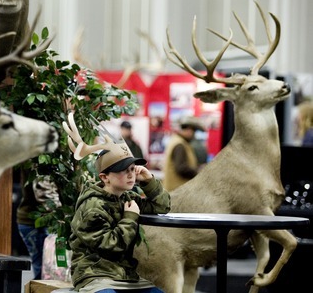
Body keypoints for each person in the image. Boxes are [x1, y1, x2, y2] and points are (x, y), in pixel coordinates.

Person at [69, 142, 171, 293]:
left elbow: (162, 206)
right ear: (104, 177)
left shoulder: (127, 198)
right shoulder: (92, 207)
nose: (131, 175)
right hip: (95, 275)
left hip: (125, 276)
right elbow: (111, 247)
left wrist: (148, 181)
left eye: (132, 169)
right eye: (123, 171)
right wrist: (130, 217)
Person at [16, 170, 61, 280]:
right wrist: (62, 216)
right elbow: (45, 193)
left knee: (46, 271)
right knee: (47, 273)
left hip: (33, 219)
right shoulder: (43, 156)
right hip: (41, 221)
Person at [162, 116, 206, 192]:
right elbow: (181, 168)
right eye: (193, 132)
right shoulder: (180, 145)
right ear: (189, 130)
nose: (193, 135)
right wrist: (198, 171)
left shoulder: (176, 140)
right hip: (177, 190)